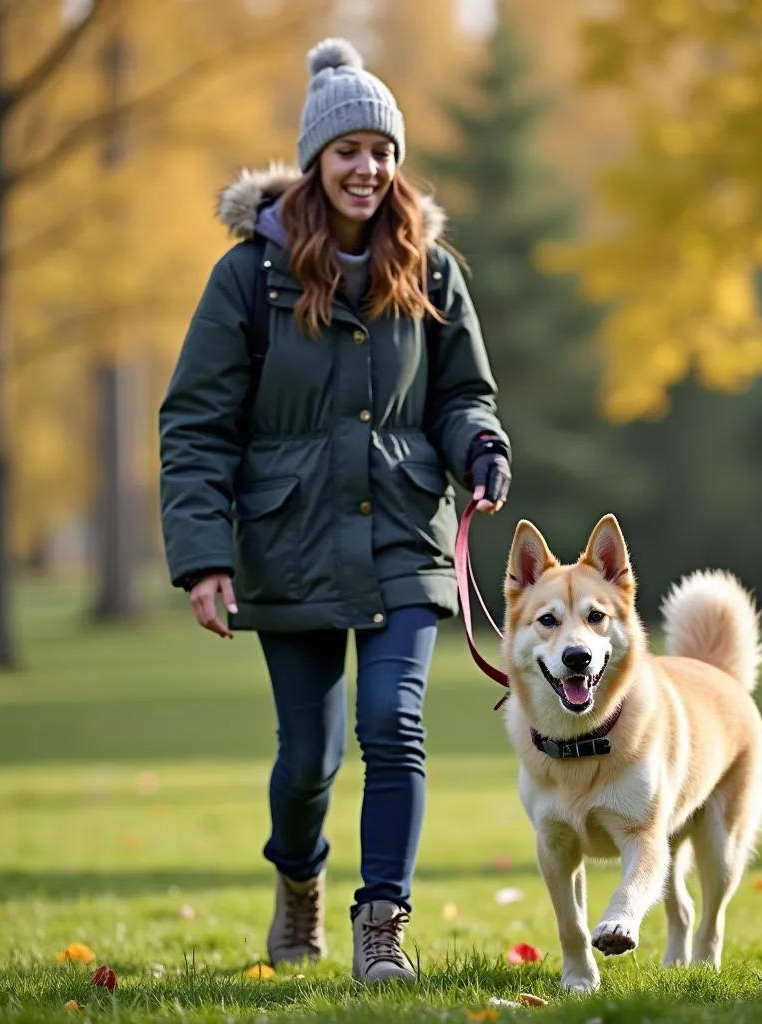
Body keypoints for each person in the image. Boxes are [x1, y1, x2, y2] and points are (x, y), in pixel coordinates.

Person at [158, 37, 511, 984]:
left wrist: (479, 446)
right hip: (291, 540)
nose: (369, 168)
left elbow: (460, 395)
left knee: (394, 726)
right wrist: (203, 558)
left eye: (383, 150)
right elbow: (196, 423)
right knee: (308, 761)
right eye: (350, 149)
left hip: (402, 533)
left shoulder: (430, 270)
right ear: (316, 159)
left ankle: (381, 926)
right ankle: (300, 881)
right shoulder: (249, 278)